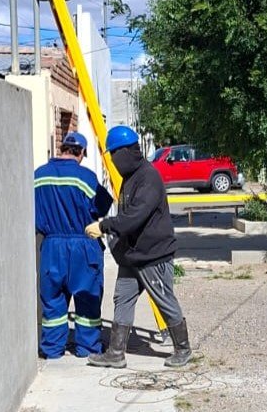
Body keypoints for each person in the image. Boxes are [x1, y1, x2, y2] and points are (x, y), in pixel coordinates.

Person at [84, 125, 192, 369]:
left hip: (153, 255)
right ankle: (115, 352)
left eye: (113, 154)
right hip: (133, 255)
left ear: (124, 152)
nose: (112, 160)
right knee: (122, 299)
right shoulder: (131, 177)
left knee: (164, 300)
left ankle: (183, 349)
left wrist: (104, 226)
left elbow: (135, 216)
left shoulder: (148, 177)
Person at [34, 131, 113, 358]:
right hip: (83, 243)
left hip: (51, 246)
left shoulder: (38, 176)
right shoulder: (86, 177)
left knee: (53, 301)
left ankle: (52, 349)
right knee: (87, 299)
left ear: (62, 149)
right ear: (81, 153)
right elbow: (102, 207)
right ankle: (87, 348)